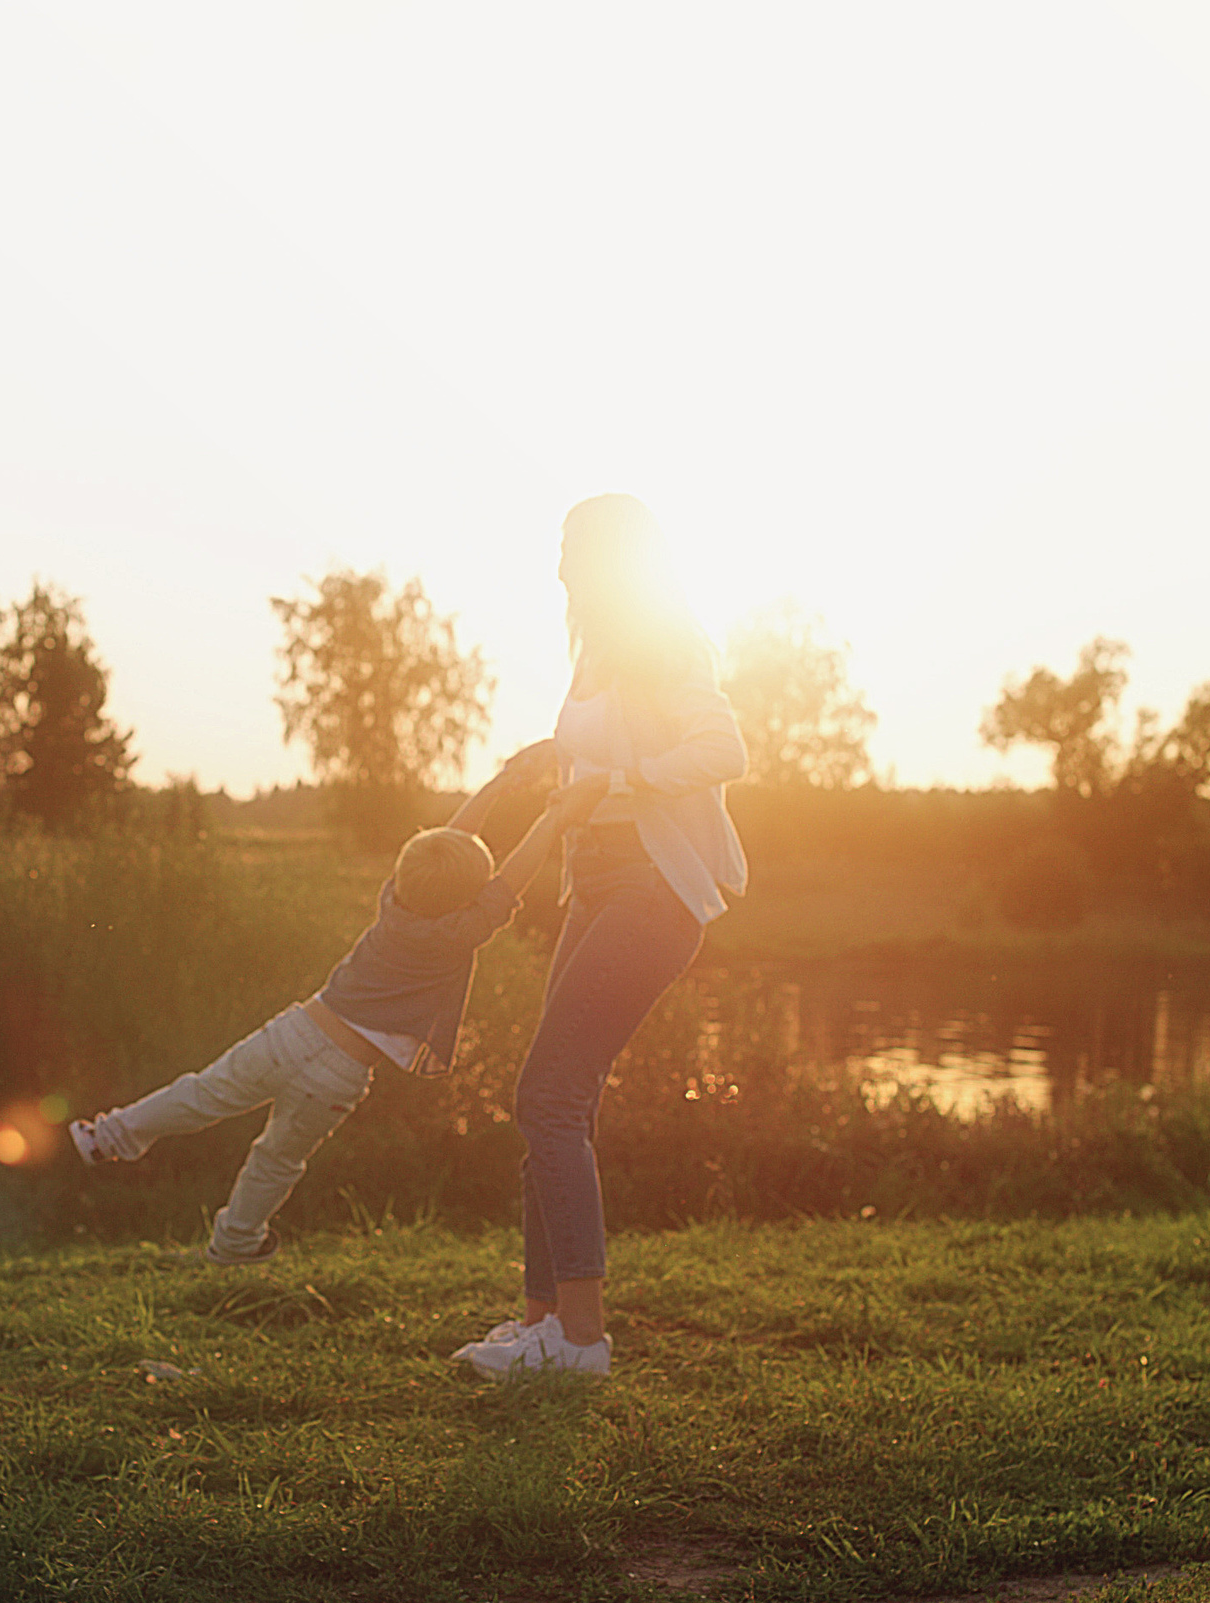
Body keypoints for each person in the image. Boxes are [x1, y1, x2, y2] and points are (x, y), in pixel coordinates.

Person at [71, 743, 612, 1265]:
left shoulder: (395, 900)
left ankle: (109, 1135)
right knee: (278, 1157)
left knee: (203, 1092)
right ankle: (235, 1244)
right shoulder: (461, 931)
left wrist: (498, 784)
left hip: (297, 1030)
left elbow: (451, 837)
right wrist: (554, 821)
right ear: (471, 895)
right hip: (339, 1072)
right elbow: (511, 877)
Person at [452, 493, 749, 1380]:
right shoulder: (595, 658)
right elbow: (594, 753)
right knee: (556, 1098)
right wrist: (549, 764)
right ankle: (541, 1321)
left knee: (546, 1091)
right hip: (597, 883)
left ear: (612, 558)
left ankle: (581, 1341)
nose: (557, 565)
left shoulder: (664, 644)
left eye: (571, 547)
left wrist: (620, 778)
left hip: (653, 890)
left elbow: (724, 747)